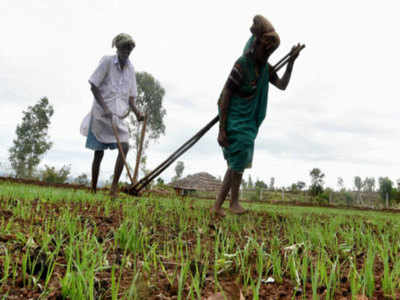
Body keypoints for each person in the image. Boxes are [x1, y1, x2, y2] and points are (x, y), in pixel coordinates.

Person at [211, 15, 301, 216]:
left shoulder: (265, 69)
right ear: (255, 46)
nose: (266, 55)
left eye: (269, 52)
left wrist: (291, 62)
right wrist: (222, 129)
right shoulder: (241, 64)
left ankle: (217, 206)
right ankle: (233, 202)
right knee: (240, 154)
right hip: (234, 117)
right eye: (264, 50)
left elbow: (282, 85)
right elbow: (226, 95)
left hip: (249, 122)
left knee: (237, 162)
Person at [80, 33, 144, 198]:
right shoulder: (107, 61)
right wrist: (104, 107)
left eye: (130, 48)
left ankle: (113, 189)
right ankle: (93, 189)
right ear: (117, 47)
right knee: (98, 152)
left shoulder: (131, 69)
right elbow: (93, 85)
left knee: (125, 146)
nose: (127, 51)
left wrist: (137, 113)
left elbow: (131, 97)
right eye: (124, 47)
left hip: (118, 115)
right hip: (101, 114)